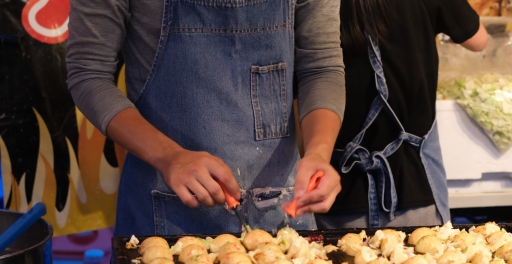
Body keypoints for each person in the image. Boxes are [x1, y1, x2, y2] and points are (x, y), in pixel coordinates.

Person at [66, 0, 345, 238]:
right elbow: (89, 75)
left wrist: (319, 153)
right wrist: (169, 156)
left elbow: (321, 66)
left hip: (282, 210)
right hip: (165, 216)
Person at [315, 0, 488, 229]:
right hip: (414, 188)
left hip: (331, 191)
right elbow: (479, 40)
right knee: (422, 263)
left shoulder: (313, 5)